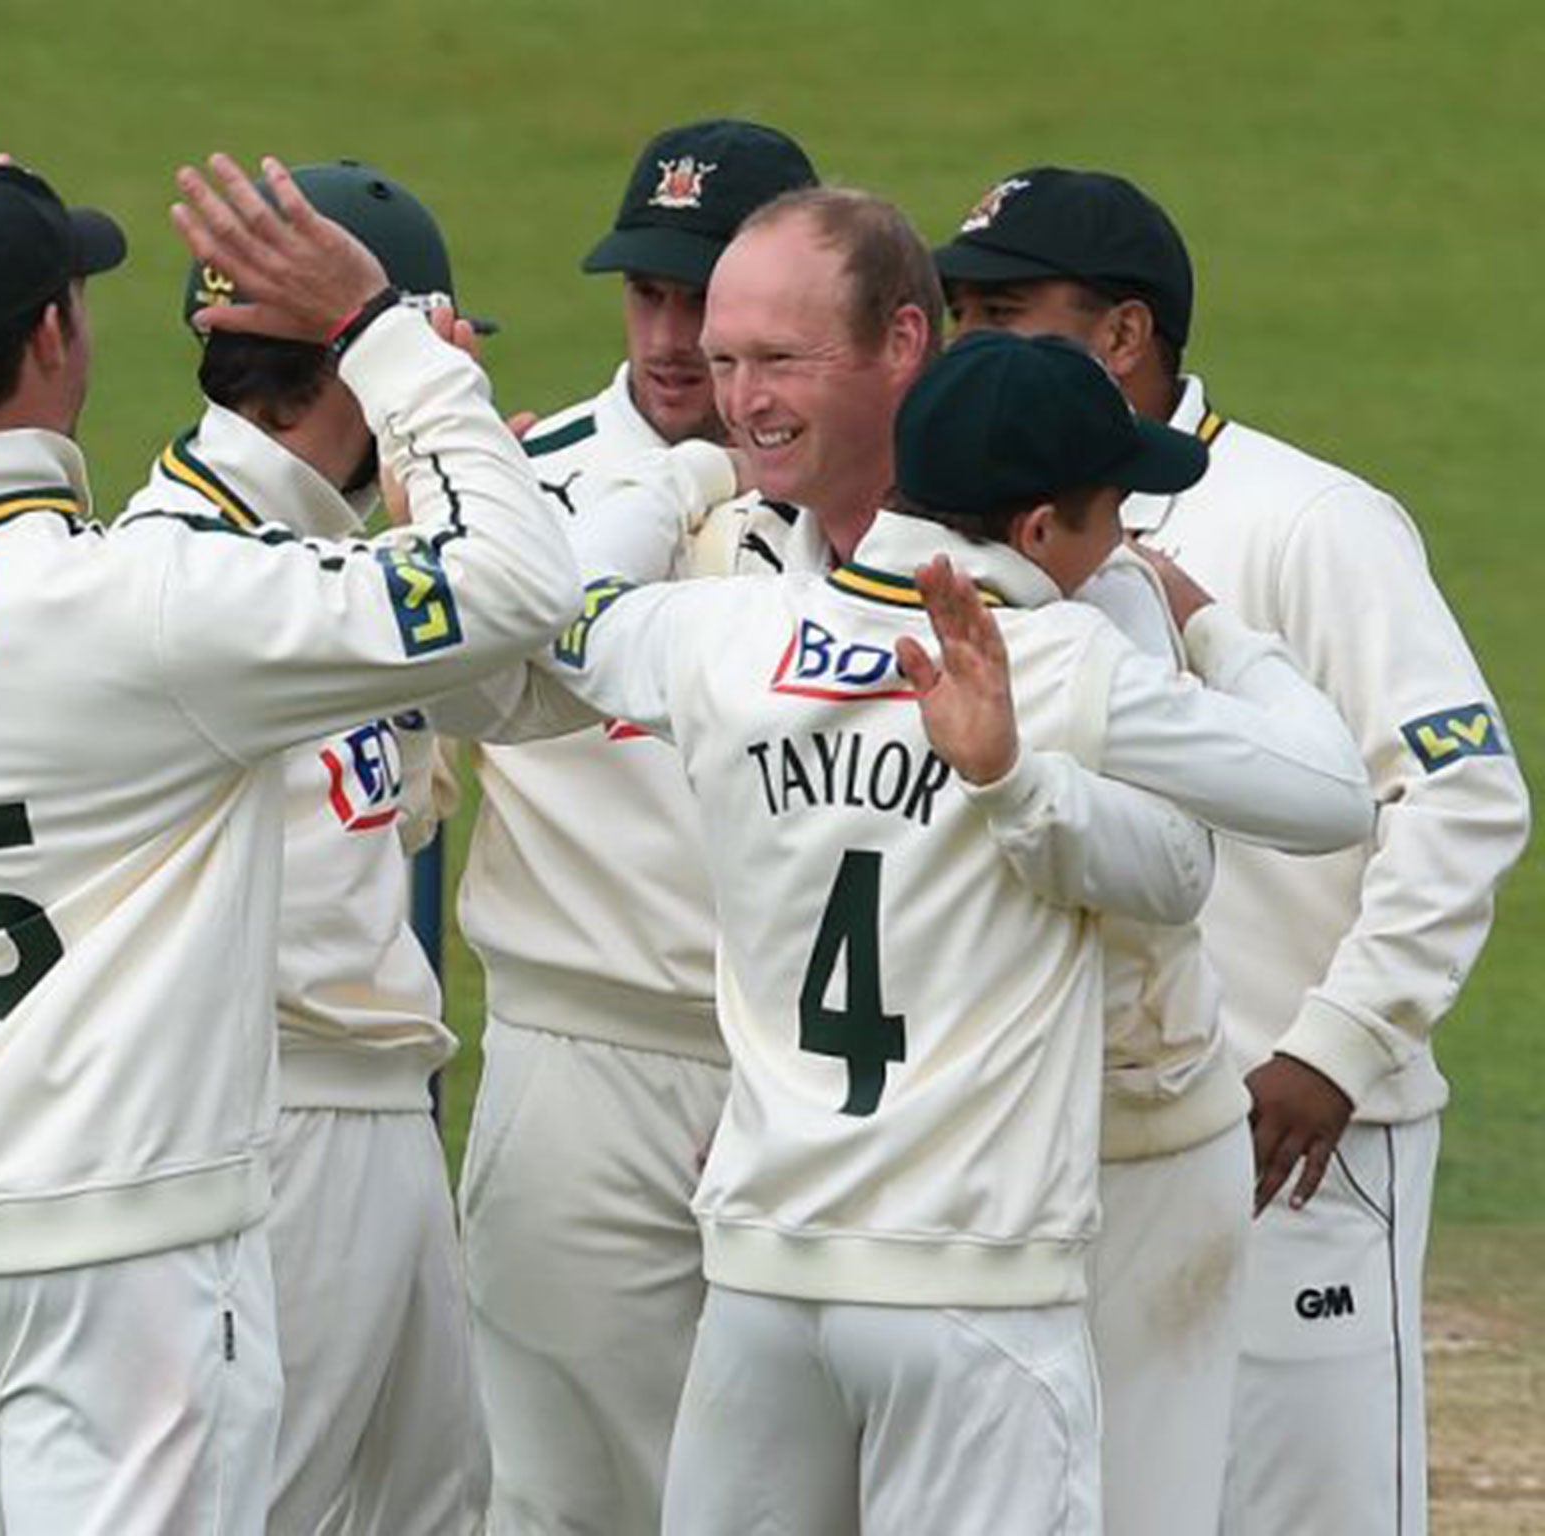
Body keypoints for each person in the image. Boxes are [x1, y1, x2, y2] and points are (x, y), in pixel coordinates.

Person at [0, 153, 578, 1536]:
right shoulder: (151, 603)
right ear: (56, 336)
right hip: (120, 1246)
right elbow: (514, 582)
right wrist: (385, 334)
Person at [532, 329, 1374, 1536]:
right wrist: (1203, 627)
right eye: (1112, 515)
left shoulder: (730, 636)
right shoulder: (1060, 660)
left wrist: (680, 475)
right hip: (971, 1290)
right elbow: (1328, 793)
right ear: (1038, 532)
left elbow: (574, 612)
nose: (1122, 541)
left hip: (763, 1280)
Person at [935, 166, 1531, 1536]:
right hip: (1063, 1149)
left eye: (1006, 311)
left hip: (1296, 1147)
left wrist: (1336, 1046)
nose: (966, 344)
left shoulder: (1308, 523)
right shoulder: (964, 524)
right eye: (958, 311)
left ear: (1126, 335)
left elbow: (1465, 800)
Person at [454, 117, 815, 1533]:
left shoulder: (881, 499)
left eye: (709, 295)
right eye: (649, 294)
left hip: (804, 1072)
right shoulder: (522, 485)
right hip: (578, 1060)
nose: (674, 338)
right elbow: (458, 704)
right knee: (560, 1497)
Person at [124, 159, 487, 1536]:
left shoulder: (316, 549)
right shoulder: (195, 571)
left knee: (438, 1504)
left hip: (377, 1106)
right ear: (356, 375)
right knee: (264, 1507)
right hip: (274, 1115)